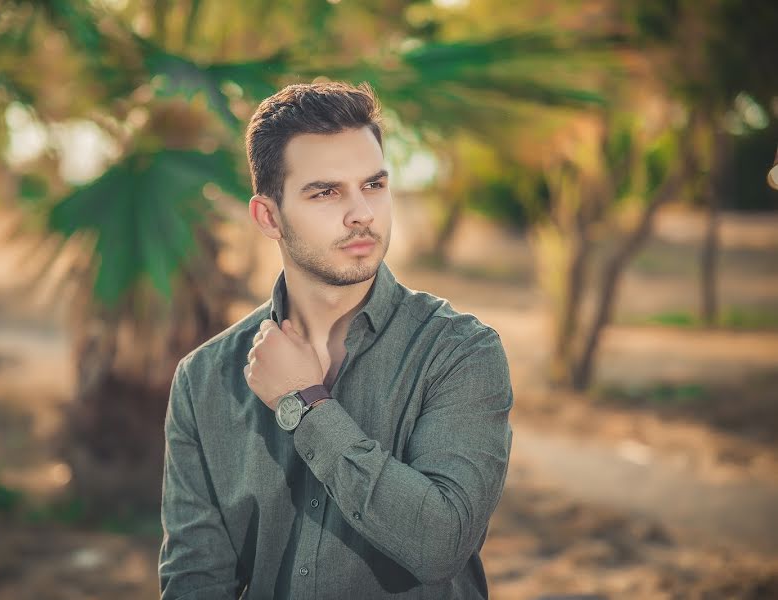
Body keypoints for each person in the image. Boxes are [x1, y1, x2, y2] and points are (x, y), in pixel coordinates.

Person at [158, 80, 514, 599]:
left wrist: (305, 405)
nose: (361, 213)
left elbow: (442, 543)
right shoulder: (204, 378)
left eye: (373, 185)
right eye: (326, 192)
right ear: (268, 216)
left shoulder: (459, 352)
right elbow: (196, 580)